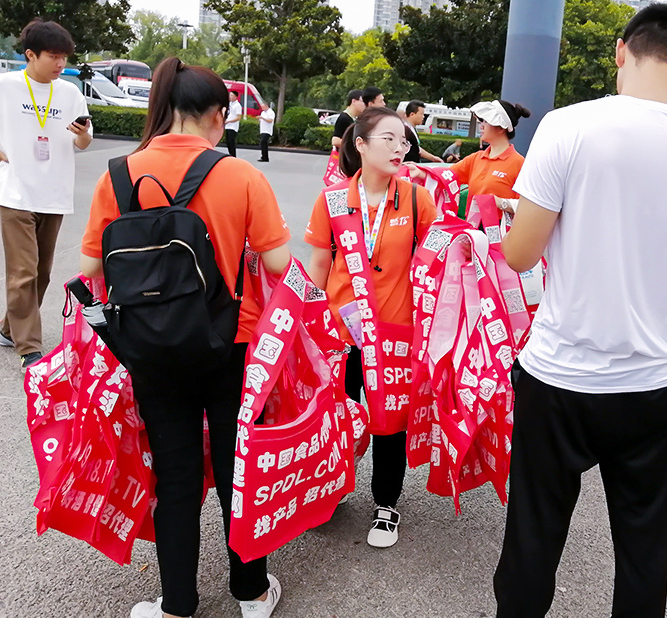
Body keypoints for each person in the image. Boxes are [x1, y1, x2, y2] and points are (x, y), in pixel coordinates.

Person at [493, 5, 667, 617]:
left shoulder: (568, 126)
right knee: (643, 545)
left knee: (533, 537)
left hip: (560, 373)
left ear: (619, 51)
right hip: (655, 380)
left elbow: (521, 256)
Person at [80, 57, 291, 618]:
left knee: (174, 475)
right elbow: (279, 261)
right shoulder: (242, 175)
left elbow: (93, 270)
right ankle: (250, 594)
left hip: (149, 347)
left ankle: (176, 604)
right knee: (236, 471)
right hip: (231, 345)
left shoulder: (118, 174)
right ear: (217, 115)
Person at [305, 107, 437, 549]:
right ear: (359, 143)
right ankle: (334, 487)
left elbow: (438, 259)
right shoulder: (333, 200)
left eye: (404, 141)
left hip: (396, 335)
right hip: (341, 334)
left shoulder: (419, 198)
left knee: (389, 421)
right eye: (389, 139)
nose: (401, 148)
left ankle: (386, 502)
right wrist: (314, 324)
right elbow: (321, 263)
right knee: (339, 415)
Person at [0, 20, 92, 369]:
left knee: (41, 272)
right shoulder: (2, 85)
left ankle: (9, 328)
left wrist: (83, 134)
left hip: (55, 192)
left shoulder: (70, 92)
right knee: (23, 270)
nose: (60, 64)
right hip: (16, 192)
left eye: (63, 58)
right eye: (53, 57)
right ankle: (29, 348)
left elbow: (83, 142)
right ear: (30, 54)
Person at [441, 99, 530, 215]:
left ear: (500, 128)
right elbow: (445, 176)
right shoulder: (476, 158)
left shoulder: (519, 163)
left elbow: (527, 207)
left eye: (486, 121)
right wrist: (420, 171)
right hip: (473, 229)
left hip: (501, 230)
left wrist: (501, 203)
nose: (481, 126)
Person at [224, 91, 242, 157]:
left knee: (231, 142)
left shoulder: (237, 105)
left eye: (231, 95)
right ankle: (231, 154)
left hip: (233, 126)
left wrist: (229, 121)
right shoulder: (230, 104)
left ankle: (233, 156)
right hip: (228, 126)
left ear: (235, 97)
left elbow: (238, 117)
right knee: (228, 142)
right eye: (230, 95)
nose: (230, 97)